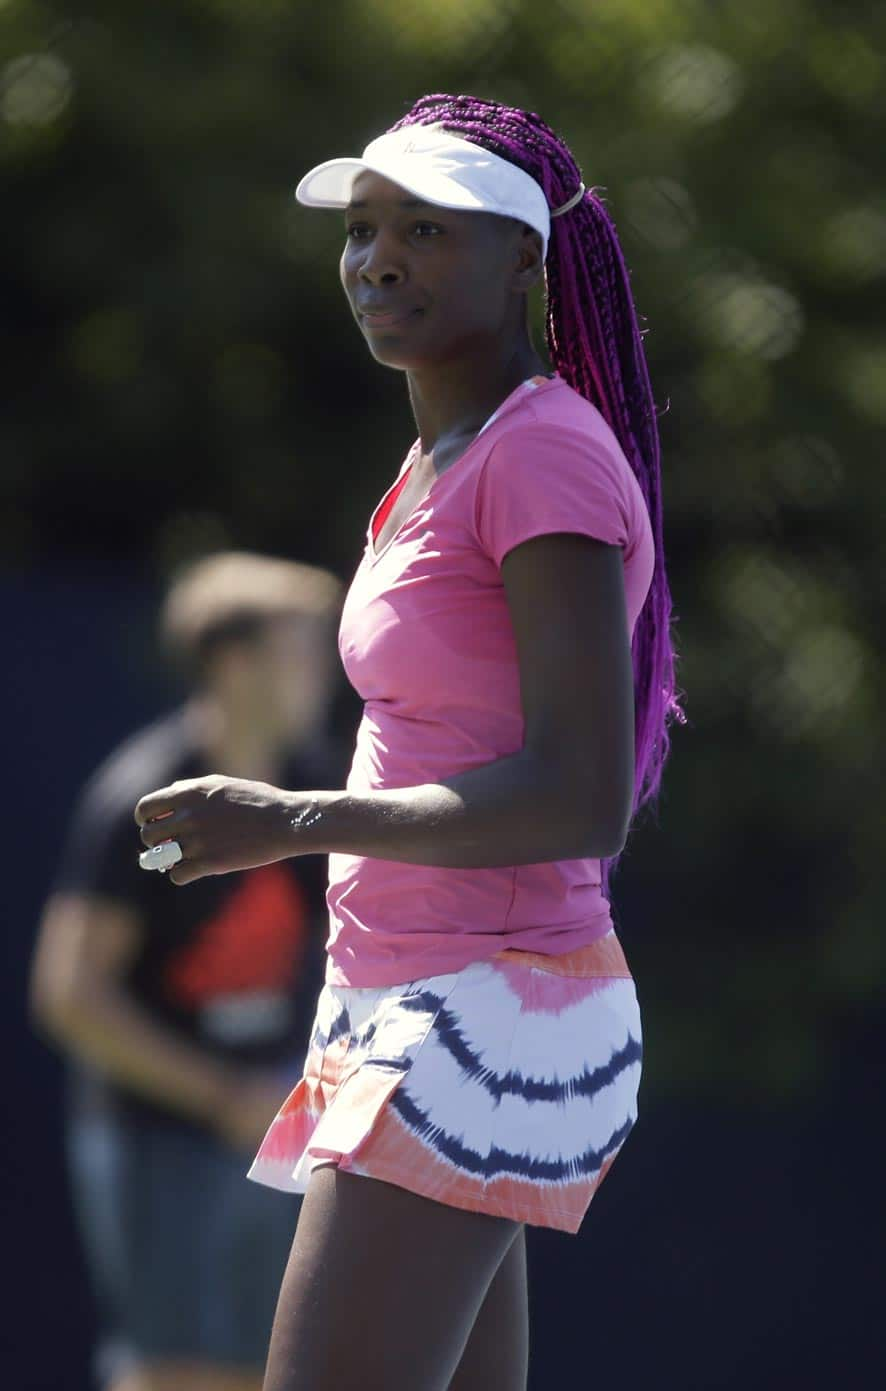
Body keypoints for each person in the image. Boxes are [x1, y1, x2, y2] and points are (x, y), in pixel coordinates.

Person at [133, 96, 686, 1391]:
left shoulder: (540, 454)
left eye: (425, 228)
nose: (375, 257)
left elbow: (577, 795)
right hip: (404, 994)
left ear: (522, 264)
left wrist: (292, 817)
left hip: (490, 1000)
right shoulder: (444, 453)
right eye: (364, 226)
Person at [30, 551, 348, 1391]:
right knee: (172, 1374)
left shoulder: (319, 787)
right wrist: (219, 1095)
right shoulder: (147, 799)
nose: (323, 670)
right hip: (157, 1140)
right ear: (233, 661)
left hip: (282, 1134)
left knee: (271, 1369)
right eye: (301, 647)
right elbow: (69, 993)